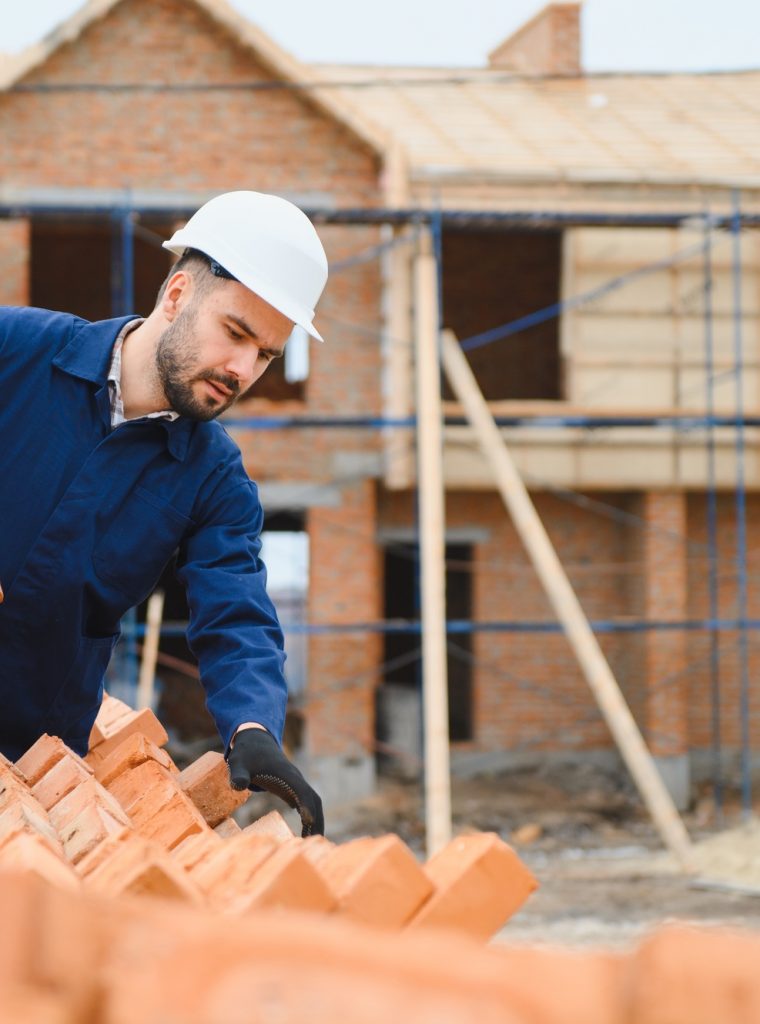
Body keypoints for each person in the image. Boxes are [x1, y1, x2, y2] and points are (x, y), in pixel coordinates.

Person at [0, 190, 325, 835]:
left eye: (264, 354)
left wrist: (253, 728)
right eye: (235, 333)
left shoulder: (214, 479)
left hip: (31, 758)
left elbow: (236, 612)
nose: (241, 369)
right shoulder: (17, 351)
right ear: (176, 296)